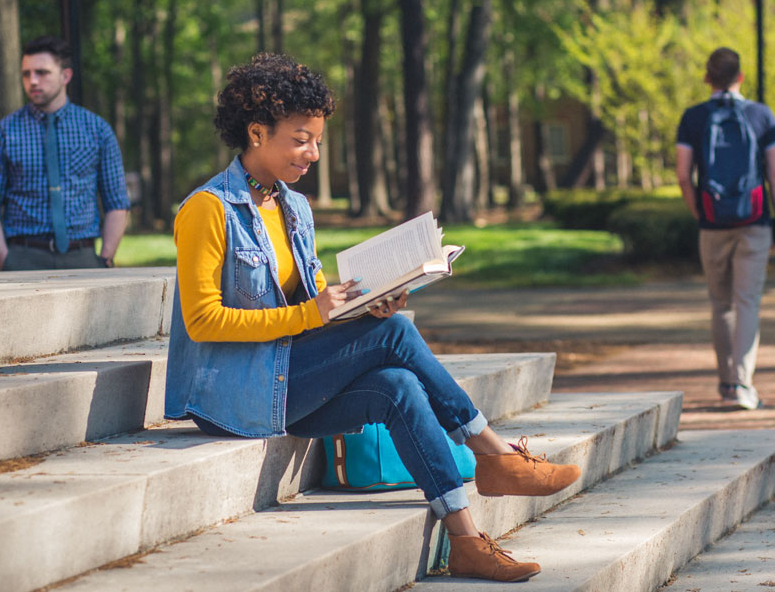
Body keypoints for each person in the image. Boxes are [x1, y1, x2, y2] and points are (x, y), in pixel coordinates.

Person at [165, 53, 580, 583]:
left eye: (317, 139)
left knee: (397, 385)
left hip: (287, 378)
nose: (313, 152)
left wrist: (363, 304)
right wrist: (314, 313)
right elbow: (203, 322)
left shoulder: (293, 207)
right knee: (396, 335)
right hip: (233, 393)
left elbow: (310, 300)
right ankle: (493, 454)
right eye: (300, 139)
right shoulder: (207, 209)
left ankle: (467, 539)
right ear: (256, 132)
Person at [674, 47, 775, 410]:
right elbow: (774, 174)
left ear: (707, 78)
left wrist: (699, 213)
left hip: (712, 221)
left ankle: (725, 383)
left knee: (720, 303)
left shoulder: (693, 117)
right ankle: (742, 385)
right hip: (753, 220)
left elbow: (682, 174)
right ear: (740, 77)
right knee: (746, 301)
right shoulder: (760, 115)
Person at [0, 36, 128, 270]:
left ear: (65, 76)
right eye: (26, 74)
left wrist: (105, 258)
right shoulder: (4, 132)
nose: (32, 81)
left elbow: (117, 202)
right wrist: (7, 261)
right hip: (23, 258)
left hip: (83, 258)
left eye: (42, 73)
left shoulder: (97, 130)